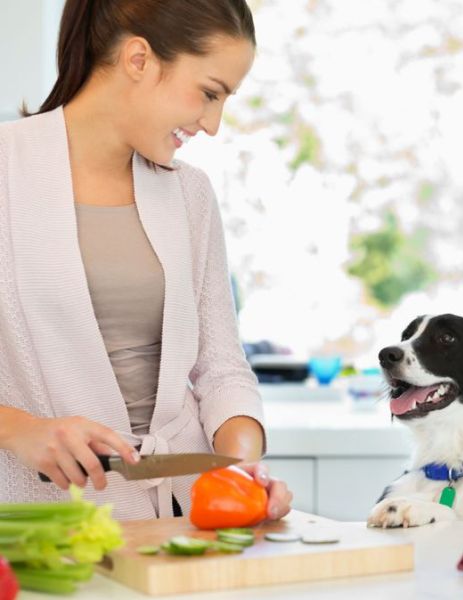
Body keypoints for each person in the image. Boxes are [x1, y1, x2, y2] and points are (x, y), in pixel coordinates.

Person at [0, 0, 293, 521]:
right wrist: (21, 429)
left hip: (181, 516)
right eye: (209, 93)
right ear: (139, 59)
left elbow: (222, 368)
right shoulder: (6, 172)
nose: (212, 124)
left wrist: (241, 467)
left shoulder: (190, 196)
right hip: (39, 525)